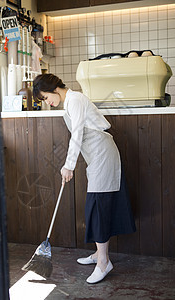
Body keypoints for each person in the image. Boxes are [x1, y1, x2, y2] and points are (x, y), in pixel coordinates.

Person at [33, 73, 136, 284]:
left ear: (52, 88)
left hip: (102, 154)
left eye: (45, 97)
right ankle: (99, 255)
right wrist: (69, 165)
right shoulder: (69, 103)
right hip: (95, 156)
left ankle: (103, 262)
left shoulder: (76, 99)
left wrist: (68, 166)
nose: (48, 103)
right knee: (96, 205)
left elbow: (77, 133)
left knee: (98, 205)